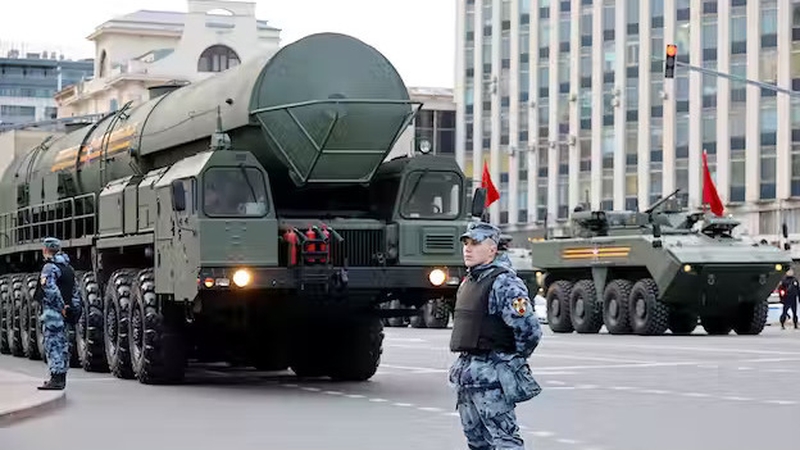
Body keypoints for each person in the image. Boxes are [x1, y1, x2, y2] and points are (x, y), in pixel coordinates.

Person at [448, 221, 543, 449]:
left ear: (492, 249)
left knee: (505, 442)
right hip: (468, 377)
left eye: (475, 243)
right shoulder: (469, 281)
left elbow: (529, 330)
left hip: (492, 378)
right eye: (466, 243)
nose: (467, 249)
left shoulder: (505, 283)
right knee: (477, 443)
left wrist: (509, 359)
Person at [36, 237, 81, 390]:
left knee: (53, 344)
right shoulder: (68, 268)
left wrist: (61, 307)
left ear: (45, 249)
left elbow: (50, 289)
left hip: (54, 313)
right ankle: (60, 377)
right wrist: (73, 310)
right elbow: (75, 292)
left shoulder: (49, 267)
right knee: (63, 346)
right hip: (66, 313)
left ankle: (56, 378)